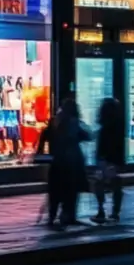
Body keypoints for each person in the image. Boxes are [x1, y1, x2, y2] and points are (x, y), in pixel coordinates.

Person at [45, 97, 89, 228]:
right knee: (71, 190)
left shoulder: (55, 121)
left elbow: (46, 136)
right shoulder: (74, 122)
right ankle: (68, 215)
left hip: (57, 161)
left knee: (55, 191)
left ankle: (52, 216)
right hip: (72, 161)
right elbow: (87, 135)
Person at [92, 97, 125, 223]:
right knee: (115, 185)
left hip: (105, 159)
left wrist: (100, 157)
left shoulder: (105, 127)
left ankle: (101, 210)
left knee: (99, 184)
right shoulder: (118, 125)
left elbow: (103, 146)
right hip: (114, 159)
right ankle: (115, 211)